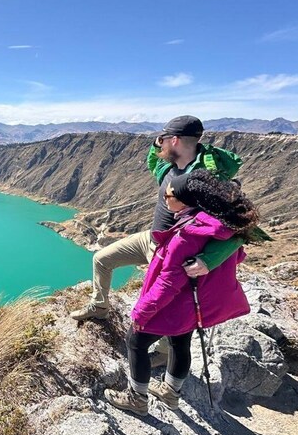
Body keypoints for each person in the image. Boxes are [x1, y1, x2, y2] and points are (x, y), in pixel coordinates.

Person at [103, 169, 262, 415]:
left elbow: (168, 282)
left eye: (168, 195)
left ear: (185, 200)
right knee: (180, 343)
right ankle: (171, 392)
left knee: (134, 341)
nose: (164, 199)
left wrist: (142, 312)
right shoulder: (217, 228)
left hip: (174, 306)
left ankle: (137, 399)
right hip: (192, 307)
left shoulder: (186, 235)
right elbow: (238, 255)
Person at [70, 115, 245, 322]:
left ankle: (162, 354)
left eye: (162, 137)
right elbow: (153, 162)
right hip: (152, 239)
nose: (158, 142)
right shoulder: (170, 168)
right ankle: (99, 307)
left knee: (166, 305)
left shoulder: (206, 180)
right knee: (101, 259)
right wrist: (155, 145)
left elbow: (239, 226)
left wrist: (209, 259)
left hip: (174, 251)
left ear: (175, 140)